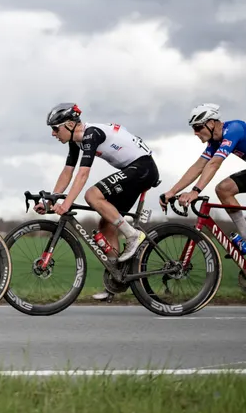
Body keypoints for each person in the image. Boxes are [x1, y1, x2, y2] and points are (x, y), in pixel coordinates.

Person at [161, 103, 246, 303]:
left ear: (211, 123)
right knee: (223, 189)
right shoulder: (215, 142)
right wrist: (172, 192)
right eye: (193, 128)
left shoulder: (233, 130)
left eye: (198, 127)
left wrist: (195, 191)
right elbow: (198, 166)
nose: (195, 133)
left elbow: (215, 164)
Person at [35, 103, 157, 291]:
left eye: (54, 128)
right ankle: (118, 278)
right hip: (133, 170)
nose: (53, 134)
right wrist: (52, 199)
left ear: (68, 125)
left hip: (143, 168)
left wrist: (66, 204)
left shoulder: (91, 134)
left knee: (92, 195)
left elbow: (82, 174)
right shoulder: (76, 141)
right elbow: (68, 171)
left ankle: (133, 235)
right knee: (106, 225)